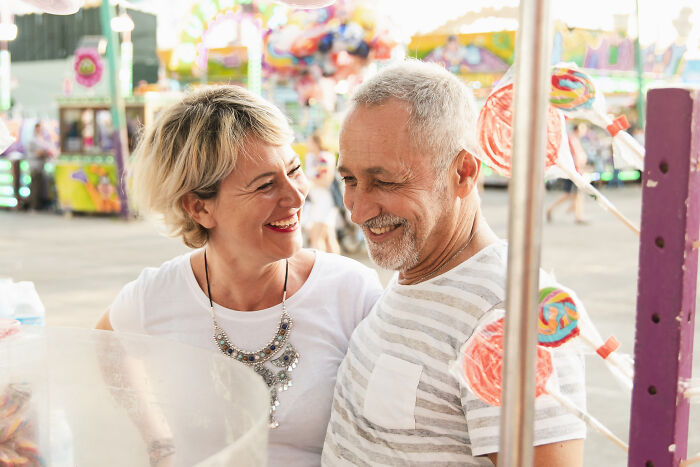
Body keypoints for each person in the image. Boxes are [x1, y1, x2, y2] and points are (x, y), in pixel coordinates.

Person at [95, 85, 383, 466]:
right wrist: (158, 441)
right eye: (265, 185)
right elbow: (103, 345)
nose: (296, 197)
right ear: (200, 207)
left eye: (294, 170)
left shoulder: (350, 291)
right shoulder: (156, 296)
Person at [322, 61, 586, 466]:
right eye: (350, 180)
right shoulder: (418, 272)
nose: (357, 211)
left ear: (463, 172)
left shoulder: (511, 317)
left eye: (386, 181)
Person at [304, 131, 341, 254]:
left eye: (309, 141)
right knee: (329, 237)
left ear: (316, 143)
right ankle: (337, 268)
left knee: (316, 237)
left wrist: (309, 181)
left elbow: (325, 181)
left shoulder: (324, 158)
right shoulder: (314, 158)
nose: (307, 144)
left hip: (323, 202)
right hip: (319, 201)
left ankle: (321, 267)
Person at [546, 123, 589, 224]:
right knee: (571, 194)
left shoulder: (574, 139)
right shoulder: (572, 140)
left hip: (575, 170)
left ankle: (577, 214)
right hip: (574, 171)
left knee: (575, 194)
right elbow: (575, 156)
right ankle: (576, 215)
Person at [25, 122, 51, 211]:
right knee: (34, 186)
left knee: (39, 186)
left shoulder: (41, 139)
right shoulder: (32, 140)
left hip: (40, 166)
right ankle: (33, 205)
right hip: (34, 165)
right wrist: (41, 153)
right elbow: (33, 153)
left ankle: (37, 204)